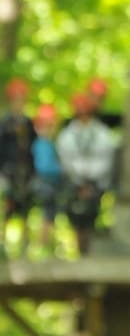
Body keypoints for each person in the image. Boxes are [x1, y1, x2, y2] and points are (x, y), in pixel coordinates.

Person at [56, 93, 117, 255]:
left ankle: (91, 250)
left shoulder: (102, 133)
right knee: (75, 217)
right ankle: (79, 250)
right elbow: (65, 159)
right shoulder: (67, 135)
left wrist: (91, 177)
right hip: (74, 183)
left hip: (97, 183)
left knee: (92, 215)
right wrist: (78, 179)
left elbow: (107, 158)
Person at [0, 77, 36, 257]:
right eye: (16, 100)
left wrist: (33, 171)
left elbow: (33, 148)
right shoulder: (4, 123)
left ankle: (25, 249)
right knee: (7, 209)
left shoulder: (28, 123)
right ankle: (3, 247)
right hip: (8, 172)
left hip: (25, 173)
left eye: (22, 100)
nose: (19, 104)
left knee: (25, 210)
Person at [31, 103, 64, 254]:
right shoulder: (42, 145)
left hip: (50, 185)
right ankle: (43, 248)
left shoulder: (48, 144)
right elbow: (44, 167)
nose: (48, 129)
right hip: (47, 184)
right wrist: (61, 170)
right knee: (47, 215)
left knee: (50, 216)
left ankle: (47, 247)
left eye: (50, 125)